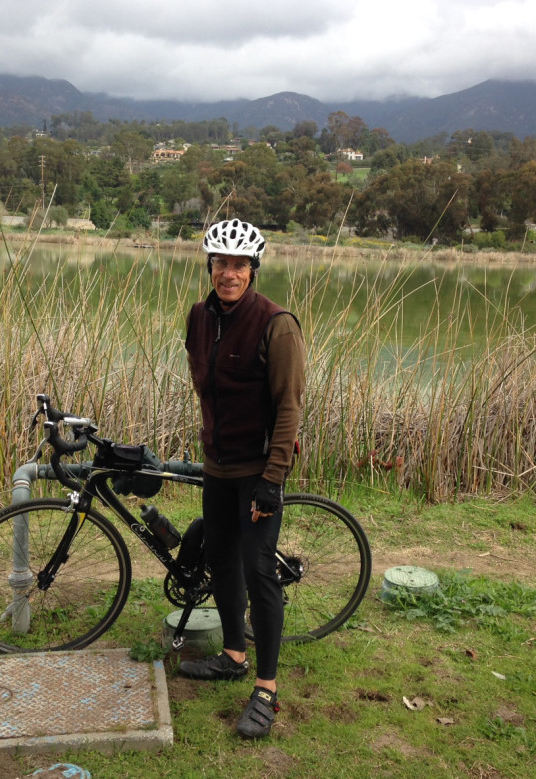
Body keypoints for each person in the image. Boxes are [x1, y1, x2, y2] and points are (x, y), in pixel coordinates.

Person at [179, 218, 306, 739]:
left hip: (257, 469)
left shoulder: (278, 325)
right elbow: (201, 378)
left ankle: (267, 689)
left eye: (239, 265)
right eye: (220, 263)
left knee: (258, 570)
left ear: (254, 269)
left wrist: (272, 479)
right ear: (209, 266)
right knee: (219, 560)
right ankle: (233, 653)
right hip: (217, 464)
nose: (229, 273)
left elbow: (289, 406)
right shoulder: (199, 317)